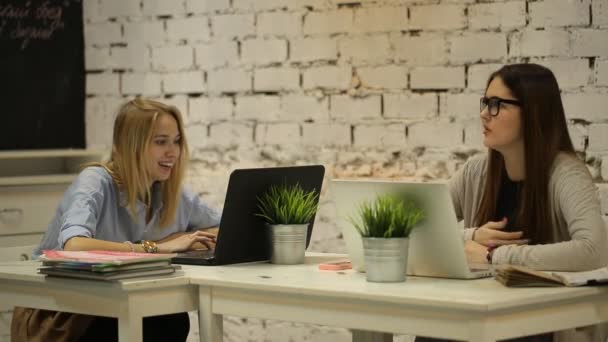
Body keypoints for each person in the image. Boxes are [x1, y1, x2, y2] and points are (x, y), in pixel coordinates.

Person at [418, 64, 607, 342]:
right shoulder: (476, 171)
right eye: (485, 102)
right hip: (477, 311)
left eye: (497, 105)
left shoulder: (566, 173)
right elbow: (412, 227)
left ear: (532, 112)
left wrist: (493, 257)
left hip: (538, 320)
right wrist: (471, 236)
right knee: (436, 326)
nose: (484, 114)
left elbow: (592, 250)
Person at [11, 98, 221, 342]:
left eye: (176, 141)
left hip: (118, 301)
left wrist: (179, 240)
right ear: (132, 145)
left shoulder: (169, 191)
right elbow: (74, 246)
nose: (172, 152)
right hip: (62, 315)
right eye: (160, 142)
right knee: (160, 321)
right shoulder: (96, 181)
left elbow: (225, 228)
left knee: (170, 318)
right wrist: (155, 248)